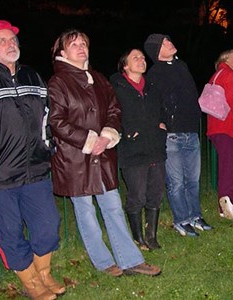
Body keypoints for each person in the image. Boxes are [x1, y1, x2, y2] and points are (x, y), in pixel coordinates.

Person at [48, 29, 161, 277]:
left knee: (112, 207)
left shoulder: (98, 78)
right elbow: (58, 121)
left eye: (84, 43)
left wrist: (107, 135)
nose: (81, 47)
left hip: (103, 154)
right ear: (63, 52)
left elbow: (114, 109)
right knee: (86, 211)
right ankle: (102, 261)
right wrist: (89, 140)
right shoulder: (58, 82)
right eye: (74, 44)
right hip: (76, 158)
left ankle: (130, 260)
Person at [0, 20, 64, 300]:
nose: (11, 43)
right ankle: (30, 282)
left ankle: (43, 273)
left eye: (13, 38)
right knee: (9, 233)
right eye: (2, 40)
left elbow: (46, 118)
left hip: (36, 171)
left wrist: (47, 146)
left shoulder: (33, 77)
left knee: (48, 225)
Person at [143, 33, 212, 237]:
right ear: (156, 51)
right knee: (177, 181)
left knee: (193, 179)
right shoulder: (155, 73)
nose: (170, 43)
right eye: (164, 43)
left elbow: (190, 94)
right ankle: (181, 220)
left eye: (169, 40)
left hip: (191, 131)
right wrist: (161, 122)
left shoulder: (182, 66)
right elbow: (152, 102)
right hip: (172, 135)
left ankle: (195, 215)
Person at [109, 48, 167, 250]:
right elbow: (111, 113)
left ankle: (151, 236)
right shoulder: (116, 87)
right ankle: (137, 238)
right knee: (137, 195)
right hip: (133, 149)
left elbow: (163, 108)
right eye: (136, 58)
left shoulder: (152, 86)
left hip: (155, 147)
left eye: (143, 58)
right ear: (125, 65)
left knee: (156, 192)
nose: (142, 60)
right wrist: (125, 131)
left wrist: (163, 123)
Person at [206, 49, 233, 220]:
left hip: (217, 127)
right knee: (229, 167)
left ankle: (231, 202)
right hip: (226, 127)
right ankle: (225, 206)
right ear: (224, 58)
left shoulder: (217, 74)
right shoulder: (229, 74)